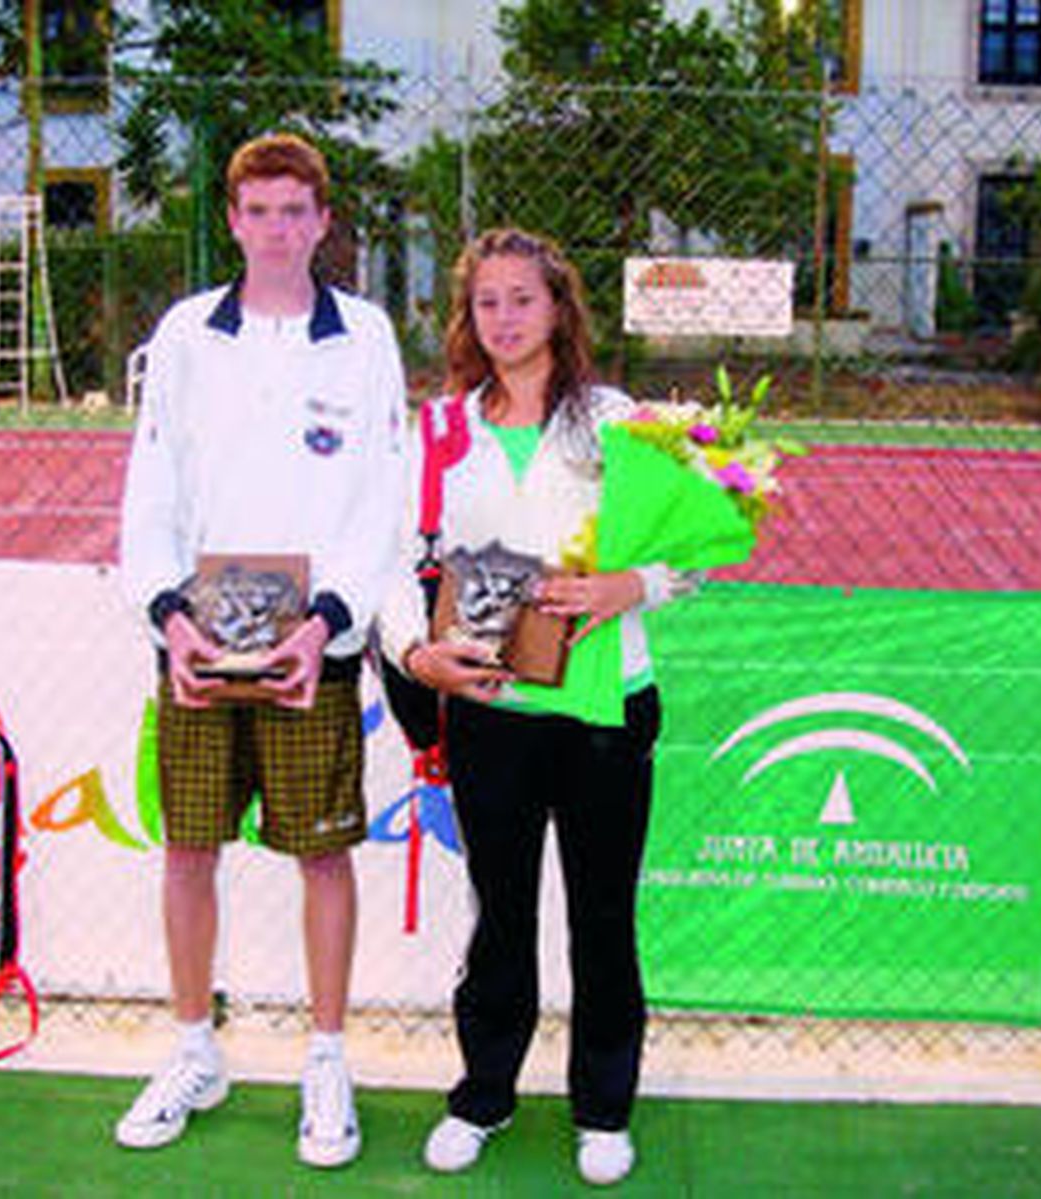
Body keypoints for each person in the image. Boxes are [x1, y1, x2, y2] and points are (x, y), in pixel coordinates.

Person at [378, 228, 697, 1187]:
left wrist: (628, 586)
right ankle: (484, 1093)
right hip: (489, 712)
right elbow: (394, 560)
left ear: (559, 307)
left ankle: (603, 1107)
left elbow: (695, 551)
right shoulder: (438, 431)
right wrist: (414, 650)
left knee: (603, 917)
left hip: (606, 711)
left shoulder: (617, 420)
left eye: (524, 298)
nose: (506, 318)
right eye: (488, 301)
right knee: (500, 914)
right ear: (468, 316)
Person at [115, 132, 407, 1167]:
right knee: (189, 847)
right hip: (198, 639)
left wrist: (330, 619)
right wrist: (167, 614)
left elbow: (384, 498)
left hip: (312, 646)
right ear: (232, 220)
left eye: (297, 212)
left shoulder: (364, 335)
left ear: (322, 223)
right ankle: (196, 1046)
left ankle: (326, 1059)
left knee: (322, 853)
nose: (278, 230)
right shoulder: (187, 334)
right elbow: (150, 493)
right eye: (259, 211)